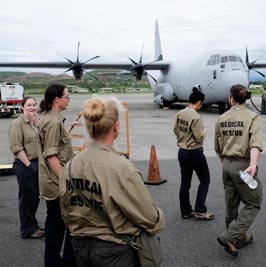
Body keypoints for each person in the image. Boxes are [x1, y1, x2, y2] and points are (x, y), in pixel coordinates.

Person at [59, 96, 165, 267]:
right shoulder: (122, 168)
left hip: (80, 249)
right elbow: (150, 218)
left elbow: (66, 212)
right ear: (115, 126)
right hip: (115, 253)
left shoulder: (70, 166)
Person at [214, 84, 263, 257]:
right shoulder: (252, 117)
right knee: (253, 203)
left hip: (227, 164)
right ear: (245, 98)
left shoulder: (221, 118)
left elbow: (218, 148)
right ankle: (230, 236)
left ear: (231, 98)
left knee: (231, 204)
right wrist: (253, 164)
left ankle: (238, 238)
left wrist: (225, 164)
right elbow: (255, 144)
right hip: (244, 165)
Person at [38, 84, 76, 267]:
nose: (69, 99)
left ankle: (53, 262)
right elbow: (51, 155)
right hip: (57, 184)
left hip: (52, 182)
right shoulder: (53, 122)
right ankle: (64, 262)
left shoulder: (50, 118)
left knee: (56, 223)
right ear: (56, 100)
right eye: (67, 96)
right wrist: (66, 182)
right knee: (67, 223)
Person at [173, 87, 214, 220]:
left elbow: (176, 130)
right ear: (199, 102)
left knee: (185, 182)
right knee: (205, 179)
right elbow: (199, 137)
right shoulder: (195, 117)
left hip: (182, 151)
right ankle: (200, 209)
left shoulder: (180, 113)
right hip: (194, 152)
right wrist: (205, 131)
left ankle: (185, 211)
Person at [8, 96, 44, 239]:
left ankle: (32, 225)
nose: (32, 107)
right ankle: (27, 230)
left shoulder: (34, 123)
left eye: (34, 104)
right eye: (29, 105)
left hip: (36, 163)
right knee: (27, 199)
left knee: (34, 198)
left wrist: (38, 123)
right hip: (25, 165)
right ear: (23, 107)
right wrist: (30, 167)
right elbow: (16, 147)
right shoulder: (18, 124)